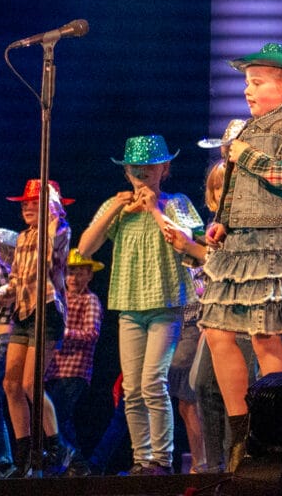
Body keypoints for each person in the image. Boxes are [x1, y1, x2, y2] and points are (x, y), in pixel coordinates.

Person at [197, 43, 282, 471]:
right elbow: (236, 191)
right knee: (218, 334)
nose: (247, 91)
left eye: (257, 82)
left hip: (273, 246)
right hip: (238, 246)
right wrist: (222, 221)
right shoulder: (244, 131)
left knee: (264, 337)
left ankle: (279, 434)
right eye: (246, 82)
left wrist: (247, 156)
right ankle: (242, 433)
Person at [76, 135, 202, 476]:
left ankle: (161, 459)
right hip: (130, 305)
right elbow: (85, 249)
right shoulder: (116, 206)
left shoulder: (176, 203)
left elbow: (187, 244)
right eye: (135, 170)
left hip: (166, 304)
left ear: (164, 169)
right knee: (131, 388)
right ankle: (141, 458)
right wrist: (114, 210)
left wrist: (154, 209)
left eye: (149, 168)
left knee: (153, 382)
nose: (142, 175)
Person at [0, 179, 73, 476]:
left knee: (31, 383)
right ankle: (24, 455)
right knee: (11, 384)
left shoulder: (59, 231)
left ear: (50, 206)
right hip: (25, 310)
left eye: (35, 203)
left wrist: (53, 219)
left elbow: (50, 254)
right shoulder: (22, 238)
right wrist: (5, 291)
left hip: (47, 310)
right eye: (25, 203)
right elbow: (18, 277)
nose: (28, 207)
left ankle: (57, 445)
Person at [44, 249, 103, 475]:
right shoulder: (58, 299)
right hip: (53, 370)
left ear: (89, 275)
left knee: (56, 416)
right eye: (69, 273)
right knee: (61, 419)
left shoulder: (90, 300)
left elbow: (91, 334)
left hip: (75, 370)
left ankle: (76, 461)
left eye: (79, 273)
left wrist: (61, 332)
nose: (73, 278)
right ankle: (72, 467)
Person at [0, 229, 17, 477]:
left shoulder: (0, 268)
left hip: (1, 340)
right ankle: (4, 461)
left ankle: (3, 460)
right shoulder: (10, 271)